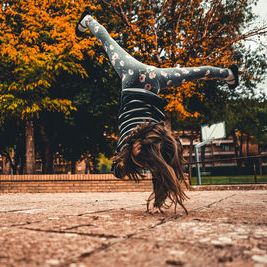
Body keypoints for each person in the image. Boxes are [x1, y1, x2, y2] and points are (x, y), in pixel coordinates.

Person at [75, 10, 239, 214]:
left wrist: (129, 167)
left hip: (155, 78)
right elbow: (120, 170)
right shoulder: (128, 143)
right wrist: (126, 167)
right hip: (132, 75)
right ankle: (87, 20)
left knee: (196, 72)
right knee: (107, 43)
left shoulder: (161, 141)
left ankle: (229, 74)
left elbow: (142, 164)